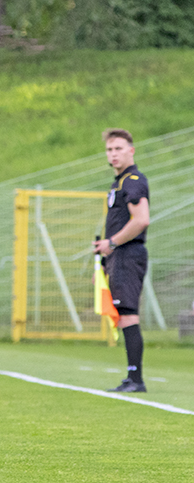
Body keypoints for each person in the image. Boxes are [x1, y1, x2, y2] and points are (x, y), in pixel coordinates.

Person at [93, 129, 150, 393]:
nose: (113, 154)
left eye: (118, 149)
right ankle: (131, 378)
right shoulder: (119, 182)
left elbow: (141, 220)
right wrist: (104, 263)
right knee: (123, 315)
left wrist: (112, 243)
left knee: (128, 316)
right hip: (118, 257)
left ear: (131, 150)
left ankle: (136, 379)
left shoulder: (133, 181)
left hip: (128, 254)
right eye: (109, 149)